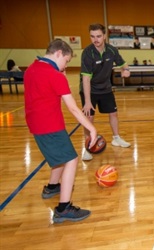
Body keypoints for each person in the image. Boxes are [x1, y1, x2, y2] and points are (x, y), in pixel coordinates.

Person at [24, 39, 97, 223]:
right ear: (58, 54)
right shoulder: (54, 76)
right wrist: (91, 128)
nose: (66, 65)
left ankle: (52, 187)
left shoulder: (31, 68)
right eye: (66, 61)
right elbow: (73, 108)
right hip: (49, 126)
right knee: (71, 159)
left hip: (37, 124)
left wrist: (60, 73)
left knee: (60, 158)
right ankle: (64, 208)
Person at [80, 23, 131, 161]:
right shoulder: (87, 53)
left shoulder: (112, 50)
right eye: (92, 36)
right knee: (88, 117)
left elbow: (123, 63)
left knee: (113, 113)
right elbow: (85, 78)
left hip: (106, 88)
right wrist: (88, 101)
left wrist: (125, 70)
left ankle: (116, 138)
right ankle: (87, 146)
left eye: (98, 36)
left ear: (104, 36)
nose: (95, 39)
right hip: (89, 89)